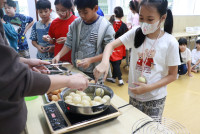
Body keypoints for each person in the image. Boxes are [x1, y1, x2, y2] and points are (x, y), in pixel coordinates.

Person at [0, 1, 88, 133]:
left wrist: (23, 61)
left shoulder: (76, 22)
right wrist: (68, 81)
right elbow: (15, 79)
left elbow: (5, 64)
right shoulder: (46, 24)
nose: (5, 2)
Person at [94, 0, 180, 118]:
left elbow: (172, 75)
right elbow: (110, 45)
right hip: (135, 95)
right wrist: (104, 62)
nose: (144, 23)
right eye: (141, 18)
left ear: (162, 18)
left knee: (151, 129)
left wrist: (148, 88)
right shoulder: (135, 33)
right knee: (134, 125)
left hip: (155, 98)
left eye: (150, 19)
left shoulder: (170, 42)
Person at [52, 0, 115, 79]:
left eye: (85, 12)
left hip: (96, 71)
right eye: (79, 11)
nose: (82, 15)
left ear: (95, 8)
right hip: (78, 69)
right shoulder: (76, 24)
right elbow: (68, 43)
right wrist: (58, 55)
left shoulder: (106, 26)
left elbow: (109, 51)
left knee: (95, 90)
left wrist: (91, 60)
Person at [107, 6, 128, 86]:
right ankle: (113, 77)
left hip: (113, 46)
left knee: (114, 63)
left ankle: (120, 79)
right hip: (121, 46)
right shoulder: (124, 25)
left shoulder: (110, 24)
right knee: (117, 62)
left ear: (114, 13)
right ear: (122, 15)